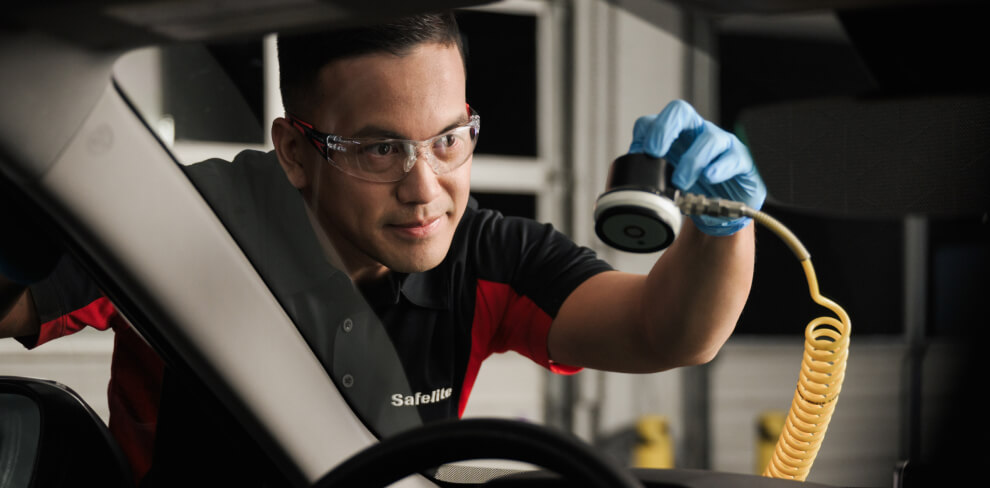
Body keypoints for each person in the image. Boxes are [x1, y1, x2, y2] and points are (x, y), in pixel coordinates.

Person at [0, 10, 765, 486]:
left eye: (449, 140)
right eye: (379, 151)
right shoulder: (184, 219)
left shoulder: (485, 254)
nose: (426, 188)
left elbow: (666, 330)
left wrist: (722, 225)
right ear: (296, 153)